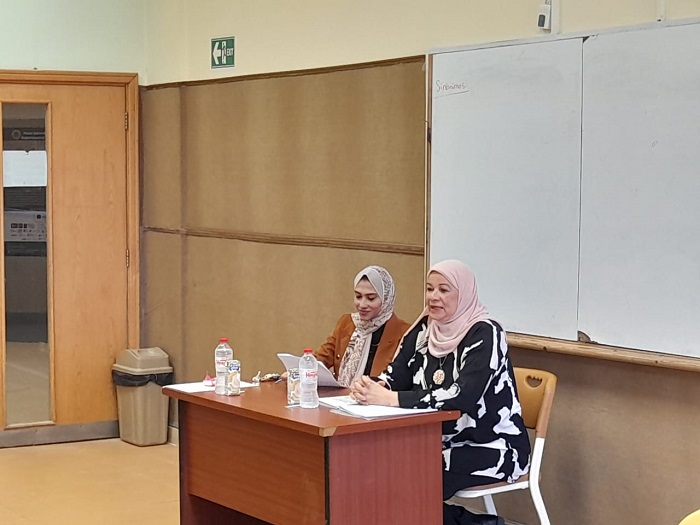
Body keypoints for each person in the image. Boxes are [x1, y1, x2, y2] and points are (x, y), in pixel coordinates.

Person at [350, 260, 530, 525]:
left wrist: (392, 399)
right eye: (429, 289)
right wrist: (372, 387)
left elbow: (462, 395)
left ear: (463, 294)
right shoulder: (425, 328)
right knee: (376, 472)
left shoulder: (486, 333)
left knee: (411, 480)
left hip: (492, 445)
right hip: (435, 441)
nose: (434, 297)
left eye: (444, 290)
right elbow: (396, 375)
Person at [315, 265, 410, 388]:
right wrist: (302, 369)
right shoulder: (346, 323)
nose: (362, 304)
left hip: (377, 398)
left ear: (386, 299)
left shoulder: (404, 333)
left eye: (371, 298)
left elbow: (401, 381)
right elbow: (322, 357)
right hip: (342, 397)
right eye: (358, 296)